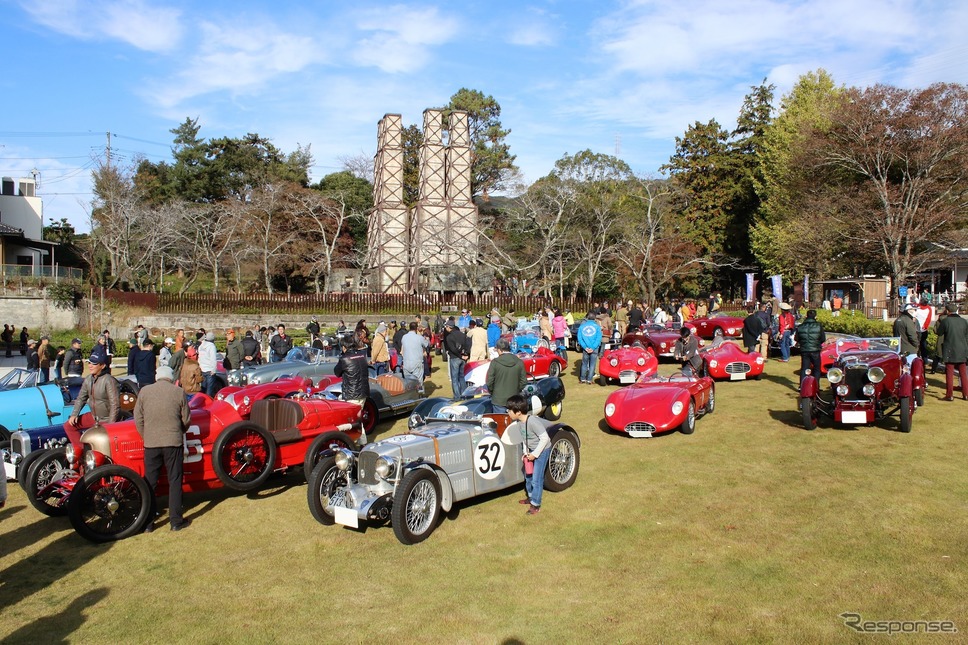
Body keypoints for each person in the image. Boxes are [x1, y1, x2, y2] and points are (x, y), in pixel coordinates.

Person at [135, 365, 192, 532]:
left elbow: (138, 418)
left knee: (150, 483)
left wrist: (146, 435)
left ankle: (148, 523)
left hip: (151, 443)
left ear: (156, 377)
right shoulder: (178, 392)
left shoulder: (144, 392)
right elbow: (186, 419)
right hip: (173, 441)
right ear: (171, 378)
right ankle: (175, 521)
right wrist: (179, 431)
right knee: (174, 481)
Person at [506, 394, 551, 516]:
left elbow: (545, 438)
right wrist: (526, 453)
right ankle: (531, 497)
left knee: (537, 479)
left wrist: (535, 454)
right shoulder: (519, 422)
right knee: (528, 476)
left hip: (542, 451)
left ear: (518, 412)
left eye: (510, 410)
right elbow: (525, 438)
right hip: (531, 451)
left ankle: (536, 504)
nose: (508, 412)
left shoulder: (533, 422)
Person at [334, 335, 371, 441]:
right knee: (358, 418)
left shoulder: (344, 358)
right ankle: (361, 441)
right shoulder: (361, 356)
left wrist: (341, 357)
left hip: (351, 393)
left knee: (353, 420)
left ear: (344, 347)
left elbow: (337, 372)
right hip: (363, 391)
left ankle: (358, 441)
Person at [68, 354, 120, 427]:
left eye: (94, 364)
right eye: (89, 363)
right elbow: (81, 398)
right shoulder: (88, 379)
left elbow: (115, 405)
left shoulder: (109, 380)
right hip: (94, 417)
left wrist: (111, 424)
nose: (90, 366)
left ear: (102, 366)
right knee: (69, 426)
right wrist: (74, 414)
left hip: (106, 419)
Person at [936, 302, 968, 401]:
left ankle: (949, 395)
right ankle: (966, 394)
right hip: (962, 349)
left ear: (948, 311)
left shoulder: (946, 321)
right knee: (963, 373)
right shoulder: (964, 321)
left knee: (949, 373)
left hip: (950, 350)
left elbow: (939, 332)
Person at [486, 338, 527, 413]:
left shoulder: (495, 362)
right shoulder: (519, 362)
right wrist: (517, 390)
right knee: (514, 423)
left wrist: (493, 392)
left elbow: (489, 382)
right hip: (514, 398)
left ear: (499, 350)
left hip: (498, 399)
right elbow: (524, 381)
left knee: (500, 423)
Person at [794, 310, 826, 384]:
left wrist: (803, 343)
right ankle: (816, 386)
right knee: (817, 369)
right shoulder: (819, 326)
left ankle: (802, 386)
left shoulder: (800, 326)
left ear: (806, 316)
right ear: (815, 317)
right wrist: (817, 343)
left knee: (804, 368)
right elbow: (823, 339)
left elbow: (796, 339)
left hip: (804, 349)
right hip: (815, 349)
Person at [443, 318, 469, 396]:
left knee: (454, 379)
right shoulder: (462, 334)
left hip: (455, 358)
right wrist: (466, 355)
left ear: (448, 327)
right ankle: (464, 395)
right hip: (463, 358)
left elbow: (453, 349)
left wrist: (460, 356)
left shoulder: (449, 337)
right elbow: (468, 344)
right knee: (462, 377)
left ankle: (457, 397)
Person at [400, 321, 429, 387]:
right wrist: (426, 339)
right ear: (416, 328)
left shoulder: (404, 337)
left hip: (406, 363)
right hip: (417, 363)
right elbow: (427, 344)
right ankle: (419, 396)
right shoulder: (419, 338)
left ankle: (410, 396)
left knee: (408, 383)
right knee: (418, 382)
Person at [577, 313, 602, 384]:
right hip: (595, 348)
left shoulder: (582, 326)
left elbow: (580, 338)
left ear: (587, 318)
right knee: (592, 364)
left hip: (585, 348)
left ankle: (582, 379)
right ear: (595, 319)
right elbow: (598, 338)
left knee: (584, 363)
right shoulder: (597, 327)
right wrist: (593, 347)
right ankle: (589, 380)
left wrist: (585, 347)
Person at [198, 331, 219, 396]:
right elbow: (213, 359)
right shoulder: (211, 346)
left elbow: (200, 357)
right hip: (209, 370)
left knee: (203, 388)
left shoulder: (201, 346)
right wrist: (213, 370)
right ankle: (208, 404)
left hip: (202, 369)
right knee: (209, 390)